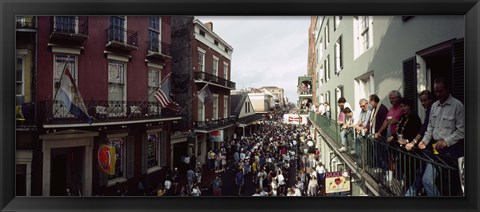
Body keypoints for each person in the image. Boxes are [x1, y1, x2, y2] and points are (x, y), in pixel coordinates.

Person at [418, 78, 464, 196]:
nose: (437, 94)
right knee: (427, 180)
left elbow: (462, 131)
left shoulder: (457, 106)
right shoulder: (434, 106)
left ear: (447, 89)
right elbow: (430, 128)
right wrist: (424, 141)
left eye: (440, 91)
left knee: (448, 185)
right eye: (435, 91)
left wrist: (445, 141)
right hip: (435, 149)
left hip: (451, 151)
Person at [404, 90, 435, 196]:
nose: (422, 103)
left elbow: (425, 129)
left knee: (424, 177)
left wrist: (413, 142)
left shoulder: (432, 110)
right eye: (421, 101)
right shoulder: (429, 110)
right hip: (427, 147)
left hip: (433, 149)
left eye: (425, 100)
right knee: (421, 175)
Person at [367, 94, 389, 173]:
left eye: (370, 102)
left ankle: (385, 169)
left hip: (380, 135)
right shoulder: (374, 109)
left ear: (373, 100)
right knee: (377, 152)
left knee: (381, 153)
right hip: (374, 134)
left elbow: (384, 122)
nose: (369, 104)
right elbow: (371, 120)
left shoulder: (382, 109)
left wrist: (379, 132)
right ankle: (380, 167)